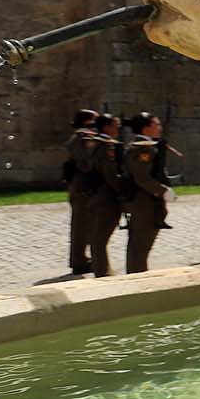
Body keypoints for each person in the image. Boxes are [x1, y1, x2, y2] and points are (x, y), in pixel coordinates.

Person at [121, 112, 170, 274]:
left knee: (140, 245)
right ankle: (137, 280)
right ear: (146, 128)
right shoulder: (143, 147)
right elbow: (142, 177)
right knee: (140, 246)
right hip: (144, 202)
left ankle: (137, 275)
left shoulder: (146, 145)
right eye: (156, 124)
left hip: (146, 201)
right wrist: (163, 191)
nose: (160, 128)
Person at [83, 114, 126, 277]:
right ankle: (103, 273)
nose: (118, 129)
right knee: (100, 238)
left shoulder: (94, 143)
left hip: (96, 195)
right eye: (115, 125)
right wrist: (122, 191)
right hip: (106, 197)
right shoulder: (108, 146)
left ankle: (101, 269)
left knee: (98, 236)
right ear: (107, 127)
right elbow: (110, 173)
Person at [64, 109, 99, 274]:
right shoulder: (82, 137)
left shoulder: (84, 136)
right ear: (87, 122)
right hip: (82, 187)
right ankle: (78, 261)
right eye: (94, 121)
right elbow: (85, 163)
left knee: (86, 225)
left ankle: (82, 259)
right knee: (81, 226)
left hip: (83, 187)